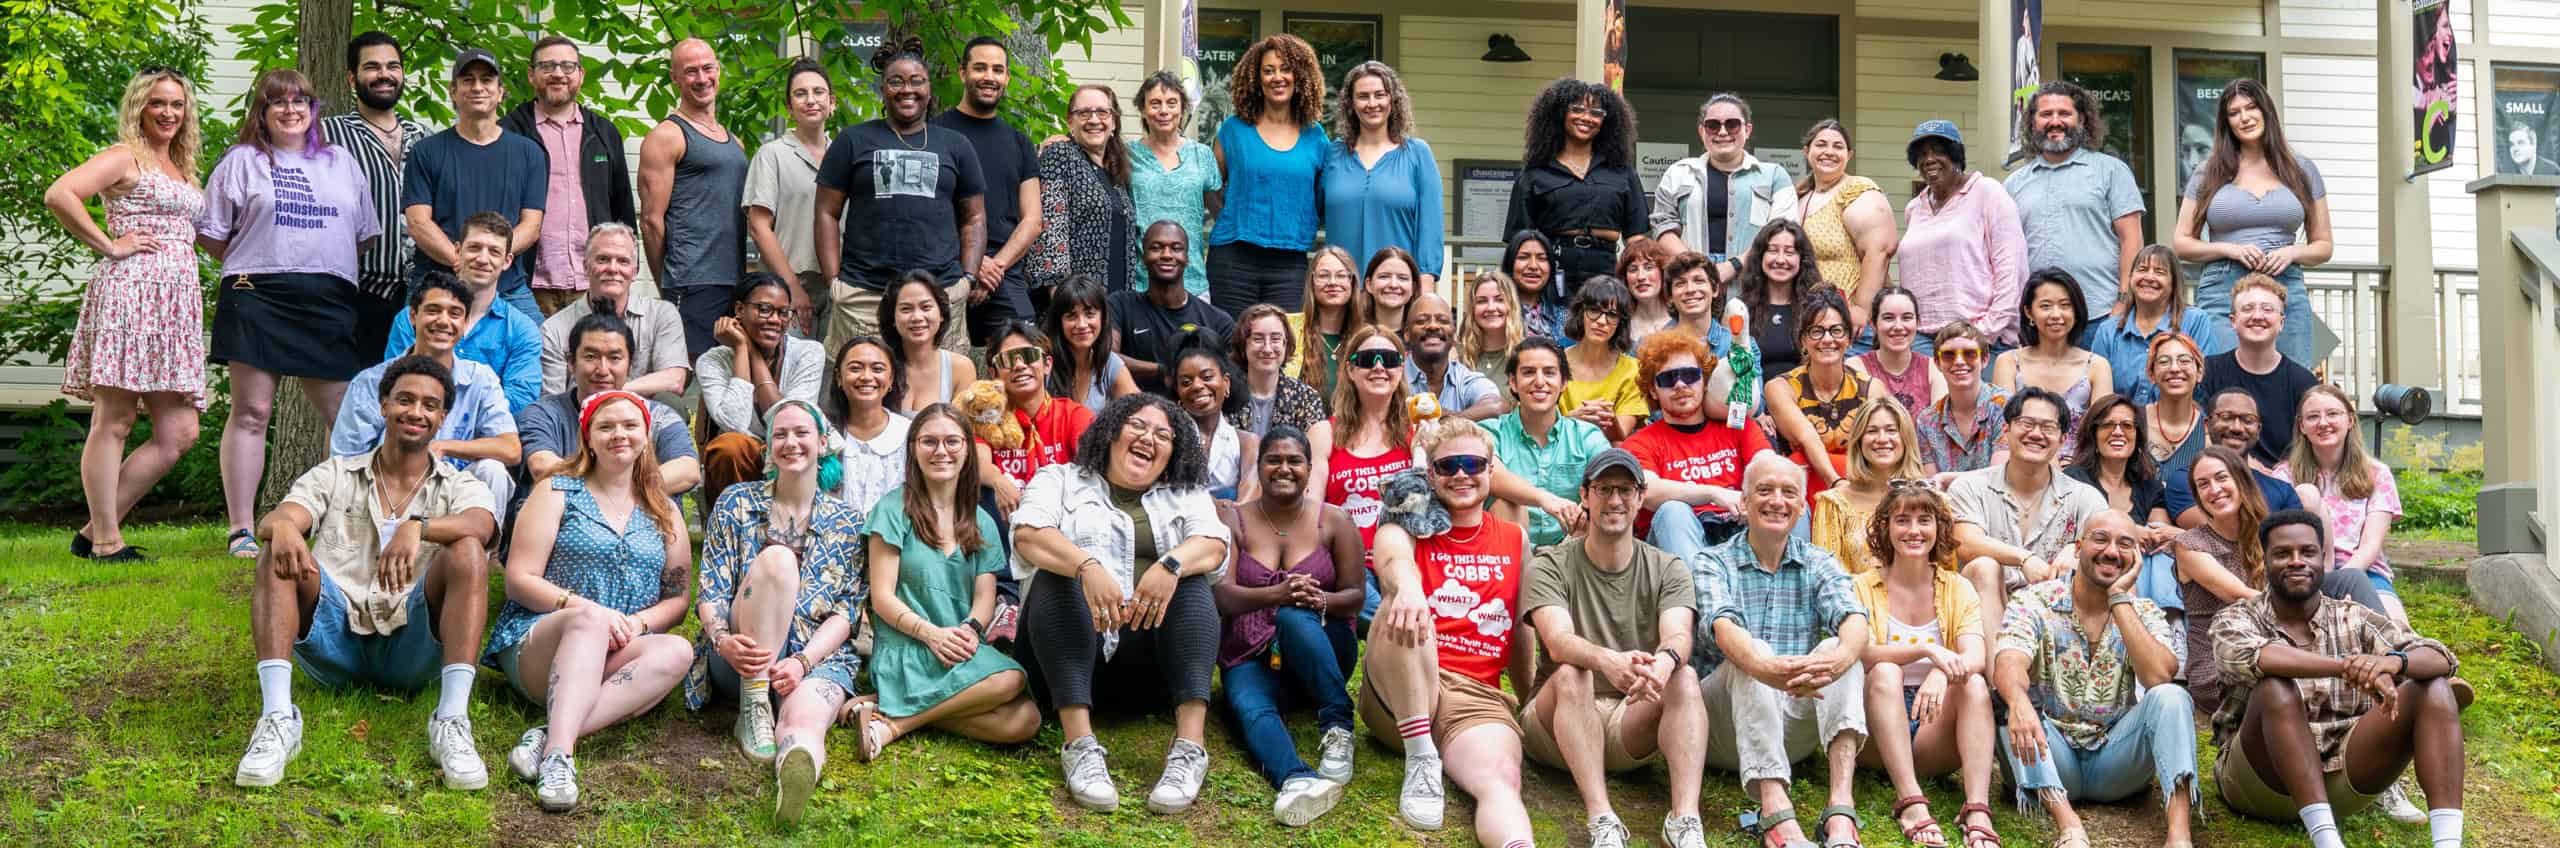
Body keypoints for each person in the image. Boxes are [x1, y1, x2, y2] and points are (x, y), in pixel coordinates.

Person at [233, 355, 497, 790]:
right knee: (276, 551)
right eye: (405, 400)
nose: (416, 412)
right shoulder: (337, 473)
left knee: (468, 551)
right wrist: (281, 526)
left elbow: (482, 525)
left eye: (430, 405)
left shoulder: (457, 484)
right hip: (335, 641)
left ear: (442, 418)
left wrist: (420, 526)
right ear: (383, 406)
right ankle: (278, 719)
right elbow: (285, 514)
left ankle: (451, 720)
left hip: (414, 648)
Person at [1012, 393, 1232, 814]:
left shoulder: (1184, 493)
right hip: (1065, 662)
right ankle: (1079, 745)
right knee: (1055, 574)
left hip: (1148, 670)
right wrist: (1087, 566)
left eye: (1163, 434)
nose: (1149, 438)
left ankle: (1189, 747)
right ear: (1111, 430)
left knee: (1190, 582)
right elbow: (1029, 534)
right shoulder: (1059, 479)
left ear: (1174, 450)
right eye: (1138, 426)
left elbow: (1214, 545)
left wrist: (1170, 565)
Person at [484, 389, 693, 812]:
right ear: (589, 438)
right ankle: (560, 757)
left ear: (646, 436)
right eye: (607, 426)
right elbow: (519, 580)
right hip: (543, 639)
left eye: (631, 425)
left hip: (617, 645)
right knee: (589, 622)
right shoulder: (558, 490)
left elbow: (678, 598)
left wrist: (637, 624)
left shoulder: (663, 508)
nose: (620, 434)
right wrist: (584, 608)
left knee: (678, 649)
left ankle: (549, 733)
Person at [2208, 510, 2469, 847]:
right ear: (2264, 561)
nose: (2296, 562)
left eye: (2307, 552)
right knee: (2274, 686)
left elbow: (2440, 656)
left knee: (2433, 688)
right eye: (2283, 554)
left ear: (2323, 558)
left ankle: (2448, 843)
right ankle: (2327, 841)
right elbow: (2259, 658)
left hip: (2344, 777)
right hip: (2260, 780)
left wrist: (2393, 663)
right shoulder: (2236, 618)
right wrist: (2346, 666)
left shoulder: (2352, 617)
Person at [203, 69, 383, 559]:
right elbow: (214, 235)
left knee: (345, 413)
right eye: (276, 102)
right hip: (257, 293)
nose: (290, 110)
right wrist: (264, 259)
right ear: (261, 112)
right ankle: (241, 528)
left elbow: (362, 234)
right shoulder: (241, 161)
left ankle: (340, 521)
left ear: (313, 109)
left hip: (328, 296)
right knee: (252, 412)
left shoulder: (341, 162)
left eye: (300, 101)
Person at [46, 68, 205, 562]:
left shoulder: (181, 165)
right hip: (131, 294)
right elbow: (60, 194)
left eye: (177, 104)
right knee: (113, 419)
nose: (168, 113)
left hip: (174, 306)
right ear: (139, 106)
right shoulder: (124, 156)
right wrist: (109, 245)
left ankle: (94, 530)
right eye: (158, 103)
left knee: (180, 432)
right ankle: (108, 542)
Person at [684, 399, 867, 818]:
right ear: (768, 451)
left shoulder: (848, 522)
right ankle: (753, 704)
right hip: (741, 654)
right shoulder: (736, 502)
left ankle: (794, 768)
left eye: (802, 433)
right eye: (779, 435)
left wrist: (804, 662)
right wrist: (723, 641)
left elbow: (846, 611)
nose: (791, 443)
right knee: (779, 560)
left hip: (814, 657)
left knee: (805, 723)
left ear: (822, 443)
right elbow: (709, 590)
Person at [1521, 449, 1711, 848]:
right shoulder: (1549, 563)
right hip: (1556, 725)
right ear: (1584, 495)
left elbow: (1678, 635)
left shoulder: (1668, 566)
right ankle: (1601, 820)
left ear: (1641, 497)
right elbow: (1558, 642)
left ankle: (1685, 821)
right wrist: (1608, 660)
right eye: (1604, 489)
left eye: (1625, 490)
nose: (1614, 500)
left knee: (1685, 676)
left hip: (1629, 719)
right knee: (1573, 672)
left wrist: (1663, 663)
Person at [1358, 418, 1538, 841]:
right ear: (1431, 475)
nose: (1461, 474)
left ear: (1491, 472)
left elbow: (1520, 629)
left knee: (1500, 780)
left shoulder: (1516, 538)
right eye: (1448, 465)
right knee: (1402, 603)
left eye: (1472, 464)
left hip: (1476, 697)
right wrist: (1407, 587)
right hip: (1401, 686)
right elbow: (1391, 562)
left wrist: (1528, 697)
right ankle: (1421, 758)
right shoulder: (1405, 525)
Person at [1691, 453, 1872, 848]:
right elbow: (1722, 627)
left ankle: (1840, 809)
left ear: (1802, 506)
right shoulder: (1712, 561)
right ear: (1743, 500)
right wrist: (1765, 667)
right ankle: (1776, 816)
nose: (1777, 501)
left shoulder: (1819, 561)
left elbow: (1855, 619)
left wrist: (1838, 659)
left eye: (1789, 492)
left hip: (1793, 720)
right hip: (1725, 727)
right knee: (1747, 651)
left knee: (1841, 650)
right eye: (1765, 490)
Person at [846, 404, 1040, 761]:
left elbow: (985, 596)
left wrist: (970, 629)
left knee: (1026, 720)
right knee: (1009, 681)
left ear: (967, 450)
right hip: (908, 646)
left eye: (952, 441)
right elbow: (883, 597)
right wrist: (931, 635)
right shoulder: (892, 510)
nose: (941, 451)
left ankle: (892, 714)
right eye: (929, 441)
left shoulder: (980, 519)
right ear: (914, 449)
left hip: (958, 647)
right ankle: (895, 721)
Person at [1993, 510, 2197, 848]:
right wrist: (2017, 701)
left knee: (2172, 697)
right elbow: (2009, 661)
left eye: (2125, 544)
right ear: (2077, 548)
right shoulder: (2035, 599)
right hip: (2051, 756)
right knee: (2003, 697)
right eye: (2101, 539)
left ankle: (2179, 837)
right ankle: (2069, 826)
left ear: (2136, 557)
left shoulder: (2142, 611)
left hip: (2116, 761)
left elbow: (2160, 676)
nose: (2112, 552)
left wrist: (2119, 599)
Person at [1213, 426, 1365, 825]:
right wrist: (1276, 594)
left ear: (1309, 468)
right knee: (1248, 706)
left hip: (1321, 652)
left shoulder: (1334, 522)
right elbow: (1223, 597)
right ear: (1258, 468)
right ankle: (1296, 780)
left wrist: (1322, 601)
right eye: (1273, 460)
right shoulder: (1234, 521)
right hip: (1249, 653)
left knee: (1294, 618)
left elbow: (1356, 596)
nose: (1284, 468)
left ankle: (1338, 724)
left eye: (1294, 460)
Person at [1851, 484, 1998, 848]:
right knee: (1886, 671)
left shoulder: (1957, 587)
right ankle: (1911, 802)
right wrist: (1928, 651)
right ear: (1885, 528)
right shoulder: (1861, 587)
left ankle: (1977, 808)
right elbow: (1861, 652)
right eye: (1902, 520)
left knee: (1974, 684)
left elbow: (1976, 656)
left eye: (1924, 520)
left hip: (1935, 729)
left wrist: (1940, 672)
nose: (1914, 531)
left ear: (1939, 528)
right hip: (1876, 729)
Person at [815, 42, 986, 352]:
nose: (907, 89)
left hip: (940, 294)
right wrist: (834, 283)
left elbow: (974, 217)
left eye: (916, 81)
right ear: (883, 89)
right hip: (864, 296)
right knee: (862, 386)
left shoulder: (956, 145)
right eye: (896, 81)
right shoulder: (853, 140)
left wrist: (968, 279)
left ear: (929, 88)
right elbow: (826, 212)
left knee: (940, 391)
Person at [2170, 444, 2364, 714]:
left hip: (2282, 645)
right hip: (2224, 662)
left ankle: (2393, 658)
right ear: (2198, 496)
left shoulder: (2267, 535)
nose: (2214, 490)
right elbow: (2241, 595)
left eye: (2221, 478)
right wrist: (2329, 608)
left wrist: (2342, 611)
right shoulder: (2190, 545)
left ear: (2241, 481)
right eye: (2203, 485)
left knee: (2351, 579)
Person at [333, 273, 523, 514]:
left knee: (492, 470)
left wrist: (444, 447)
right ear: (413, 316)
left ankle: (482, 549)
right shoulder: (371, 382)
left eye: (455, 314)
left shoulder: (480, 379)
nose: (444, 321)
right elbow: (345, 459)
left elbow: (511, 449)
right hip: (386, 491)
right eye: (433, 310)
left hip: (454, 498)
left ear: (465, 324)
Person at [2175, 78, 2334, 365]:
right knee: (2223, 384)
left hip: (2285, 285)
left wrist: (2292, 251)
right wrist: (2229, 249)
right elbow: (2182, 243)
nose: (2244, 118)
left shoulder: (2302, 169)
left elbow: (2323, 245)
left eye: (2251, 108)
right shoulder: (2208, 171)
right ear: (2226, 123)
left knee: (2292, 382)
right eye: (2234, 113)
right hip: (2223, 285)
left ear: (2266, 111)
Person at [1950, 387, 2108, 636]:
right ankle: (1998, 673)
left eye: (2047, 427)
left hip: (2056, 614)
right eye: (2026, 423)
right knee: (1983, 567)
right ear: (2005, 430)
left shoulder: (2084, 496)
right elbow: (1966, 543)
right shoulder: (1970, 486)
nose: (2036, 434)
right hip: (1982, 612)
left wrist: (2077, 550)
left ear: (2063, 439)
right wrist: (2024, 559)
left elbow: (2107, 543)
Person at [402, 47, 545, 318]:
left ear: (501, 91)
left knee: (543, 355)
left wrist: (489, 262)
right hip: (436, 287)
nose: (477, 87)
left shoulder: (529, 153)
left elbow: (531, 226)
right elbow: (419, 223)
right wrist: (464, 262)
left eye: (486, 80)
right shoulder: (426, 151)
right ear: (453, 91)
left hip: (509, 290)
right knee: (411, 360)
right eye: (467, 80)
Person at [501, 36, 636, 316]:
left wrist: (625, 271)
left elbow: (622, 207)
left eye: (567, 66)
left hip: (592, 283)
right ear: (531, 74)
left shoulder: (604, 133)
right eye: (548, 66)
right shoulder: (508, 133)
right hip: (526, 285)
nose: (558, 74)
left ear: (581, 74)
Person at [638, 38, 749, 361]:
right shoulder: (667, 136)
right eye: (690, 72)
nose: (701, 79)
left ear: (718, 70)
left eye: (707, 68)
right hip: (691, 280)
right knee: (686, 375)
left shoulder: (735, 142)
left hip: (734, 280)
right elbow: (651, 221)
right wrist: (668, 284)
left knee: (727, 379)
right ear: (675, 78)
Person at [318, 32, 428, 358]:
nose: (384, 74)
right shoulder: (326, 134)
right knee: (356, 398)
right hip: (355, 293)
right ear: (352, 77)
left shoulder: (423, 137)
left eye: (393, 66)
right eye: (372, 67)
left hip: (416, 296)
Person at [1622, 329, 1770, 568]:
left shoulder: (1737, 425)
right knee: (1673, 511)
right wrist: (1713, 493)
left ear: (1704, 381)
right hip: (1680, 545)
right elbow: (1647, 491)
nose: (1680, 385)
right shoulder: (1640, 442)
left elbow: (1767, 464)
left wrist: (1754, 498)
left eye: (1690, 375)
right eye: (1668, 379)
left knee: (1789, 499)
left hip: (1742, 531)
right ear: (1653, 390)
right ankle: (1701, 600)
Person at [381, 212, 547, 413]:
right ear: (458, 251)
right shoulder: (411, 318)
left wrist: (459, 419)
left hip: (487, 438)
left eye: (494, 251)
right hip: (417, 430)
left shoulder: (521, 329)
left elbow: (521, 400)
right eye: (474, 248)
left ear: (507, 261)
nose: (482, 259)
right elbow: (393, 385)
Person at [520, 312, 700, 495]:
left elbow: (687, 469)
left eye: (614, 358)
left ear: (630, 365)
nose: (603, 370)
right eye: (590, 357)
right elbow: (542, 466)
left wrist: (618, 495)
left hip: (641, 517)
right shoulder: (544, 414)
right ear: (572, 363)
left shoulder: (658, 415)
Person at [937, 36, 1044, 342]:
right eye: (980, 68)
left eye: (998, 70)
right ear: (962, 73)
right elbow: (929, 212)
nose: (989, 77)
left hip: (1003, 274)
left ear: (1007, 77)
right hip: (947, 269)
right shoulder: (936, 133)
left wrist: (993, 267)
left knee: (1025, 353)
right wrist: (971, 261)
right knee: (943, 369)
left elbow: (1032, 220)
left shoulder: (1019, 142)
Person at [2005, 82, 2148, 312]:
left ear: (2081, 120)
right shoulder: (2013, 184)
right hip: (2037, 317)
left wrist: (2123, 302)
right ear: (2033, 122)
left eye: (2064, 113)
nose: (2055, 121)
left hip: (2100, 312)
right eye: (2045, 114)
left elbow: (2132, 241)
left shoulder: (2111, 171)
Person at [1210, 34, 1327, 310]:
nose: (1278, 77)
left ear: (1300, 76)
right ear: (1256, 78)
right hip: (1233, 259)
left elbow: (1321, 194)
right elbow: (1211, 186)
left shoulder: (1316, 137)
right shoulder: (1233, 130)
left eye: (1286, 69)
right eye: (1268, 70)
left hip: (1289, 263)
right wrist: (1231, 217)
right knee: (1231, 346)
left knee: (1284, 347)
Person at [1508, 79, 1649, 298]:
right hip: (1552, 273)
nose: (1586, 118)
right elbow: (1519, 242)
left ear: (1606, 120)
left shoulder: (1622, 172)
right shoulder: (1535, 174)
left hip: (1607, 271)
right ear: (1560, 114)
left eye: (1596, 112)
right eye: (1577, 109)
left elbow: (1636, 239)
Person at [1896, 120, 2025, 354]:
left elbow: (2011, 268)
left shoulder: (1987, 192)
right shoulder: (1915, 208)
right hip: (1922, 339)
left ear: (1956, 155)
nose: (1929, 159)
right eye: (1922, 154)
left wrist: (1985, 331)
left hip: (1978, 335)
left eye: (1939, 151)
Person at [697, 274, 829, 501]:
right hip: (741, 467)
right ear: (739, 309)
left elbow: (790, 420)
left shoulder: (809, 353)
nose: (775, 320)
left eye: (783, 312)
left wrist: (753, 353)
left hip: (792, 451)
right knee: (730, 446)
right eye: (765, 309)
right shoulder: (712, 361)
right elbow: (734, 424)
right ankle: (732, 527)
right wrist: (740, 350)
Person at [2288, 384, 2412, 623]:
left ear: (2350, 420)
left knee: (2397, 628)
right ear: (2302, 426)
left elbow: (2371, 544)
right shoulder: (2286, 475)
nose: (2323, 423)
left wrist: (2345, 581)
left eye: (2333, 414)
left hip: (2363, 571)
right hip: (2305, 573)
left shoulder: (2377, 473)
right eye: (2313, 416)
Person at [1320, 61, 1443, 289]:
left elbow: (1430, 230)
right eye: (1363, 96)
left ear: (1393, 100)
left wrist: (1424, 294)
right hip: (1341, 290)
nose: (1372, 103)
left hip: (1395, 290)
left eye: (1380, 95)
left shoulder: (1417, 154)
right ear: (1351, 103)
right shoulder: (1333, 154)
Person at [536, 223, 690, 397]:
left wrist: (610, 392)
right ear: (585, 267)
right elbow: (552, 401)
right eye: (603, 259)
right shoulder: (554, 329)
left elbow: (675, 380)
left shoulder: (661, 314)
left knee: (671, 403)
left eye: (623, 261)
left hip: (644, 418)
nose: (613, 268)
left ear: (635, 271)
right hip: (578, 419)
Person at [742, 57, 838, 334]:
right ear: (789, 108)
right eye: (800, 93)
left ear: (832, 103)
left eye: (818, 92)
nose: (811, 100)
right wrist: (792, 289)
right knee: (788, 370)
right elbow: (759, 227)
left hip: (836, 287)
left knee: (834, 373)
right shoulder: (772, 155)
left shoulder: (843, 155)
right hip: (786, 287)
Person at [1490, 338, 1613, 549]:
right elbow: (1491, 474)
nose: (1539, 381)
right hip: (1509, 551)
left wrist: (1585, 510)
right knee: (1506, 504)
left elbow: (1612, 480)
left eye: (1549, 372)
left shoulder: (1585, 436)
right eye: (1528, 372)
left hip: (1571, 547)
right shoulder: (1491, 431)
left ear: (1564, 382)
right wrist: (1543, 499)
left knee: (1599, 508)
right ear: (1513, 382)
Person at [1651, 92, 1796, 269]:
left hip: (1752, 282)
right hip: (1691, 280)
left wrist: (1734, 266)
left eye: (1732, 124)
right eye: (1713, 125)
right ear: (1701, 131)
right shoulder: (1678, 174)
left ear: (1747, 130)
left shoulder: (1775, 177)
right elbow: (1662, 227)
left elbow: (1781, 233)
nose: (1722, 132)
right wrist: (1698, 269)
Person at [2064, 395, 2181, 611]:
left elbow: (2157, 537)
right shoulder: (2074, 479)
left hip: (2141, 574)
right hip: (2092, 572)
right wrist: (2134, 532)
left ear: (2137, 435)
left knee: (2161, 557)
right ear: (2094, 435)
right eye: (2108, 425)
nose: (2118, 432)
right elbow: (2081, 530)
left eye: (2127, 425)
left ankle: (2165, 622)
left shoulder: (2149, 486)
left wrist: (2154, 535)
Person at [1781, 119, 1895, 336]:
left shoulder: (1857, 191)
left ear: (1849, 155)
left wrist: (1862, 308)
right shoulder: (1799, 196)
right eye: (1821, 144)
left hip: (1848, 324)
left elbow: (1880, 250)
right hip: (1807, 323)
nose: (1829, 152)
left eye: (1838, 146)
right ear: (1807, 151)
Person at [2195, 273, 2321, 466]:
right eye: (2247, 309)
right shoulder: (2209, 372)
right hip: (2222, 475)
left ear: (2281, 323)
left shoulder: (2303, 383)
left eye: (2267, 309)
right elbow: (2199, 434)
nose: (2257, 316)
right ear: (2233, 321)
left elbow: (2312, 448)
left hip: (2283, 485)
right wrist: (2250, 469)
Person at [2084, 245, 2234, 404]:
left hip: (2182, 424)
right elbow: (2099, 398)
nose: (2149, 277)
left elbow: (2205, 385)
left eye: (2159, 272)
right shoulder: (2108, 331)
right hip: (2124, 426)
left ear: (2174, 282)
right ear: (2131, 278)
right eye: (2142, 269)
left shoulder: (2196, 321)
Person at [1991, 269, 2112, 460]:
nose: (2056, 314)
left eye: (2065, 305)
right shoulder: (2008, 363)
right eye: (2045, 306)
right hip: (2022, 467)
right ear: (2029, 312)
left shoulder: (2097, 366)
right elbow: (2004, 431)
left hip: (2079, 473)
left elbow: (2102, 432)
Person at [1031, 84, 1139, 294]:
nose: (1094, 120)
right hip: (1078, 305)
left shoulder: (1116, 170)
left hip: (1117, 301)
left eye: (1102, 112)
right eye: (1084, 113)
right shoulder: (1060, 155)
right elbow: (1050, 232)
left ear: (1114, 122)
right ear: (1070, 121)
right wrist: (1062, 299)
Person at [978, 322, 1097, 514]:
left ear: (1047, 365)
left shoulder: (1074, 415)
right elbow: (978, 463)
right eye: (1007, 360)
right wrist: (998, 481)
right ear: (994, 373)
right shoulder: (987, 419)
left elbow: (1093, 465)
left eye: (1028, 356)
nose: (1019, 365)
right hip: (1006, 523)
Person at [1767, 289, 1873, 501]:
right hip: (1801, 492)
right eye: (1816, 331)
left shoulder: (1870, 388)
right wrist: (1835, 483)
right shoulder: (1780, 387)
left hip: (1858, 487)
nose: (1827, 339)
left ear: (1849, 339)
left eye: (1836, 331)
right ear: (1803, 340)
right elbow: (1806, 436)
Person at [1811, 396, 1930, 575]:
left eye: (1891, 430)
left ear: (1906, 438)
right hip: (1853, 602)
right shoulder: (1834, 504)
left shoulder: (1932, 500)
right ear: (1859, 440)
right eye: (1872, 431)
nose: (1882, 439)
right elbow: (1827, 578)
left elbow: (1943, 575)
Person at [1113, 223, 1236, 395]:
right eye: (1156, 248)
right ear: (1143, 257)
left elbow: (1231, 372)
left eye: (1176, 248)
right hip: (1137, 411)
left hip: (1196, 414)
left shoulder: (1217, 321)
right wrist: (1162, 370)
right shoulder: (1121, 305)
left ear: (1187, 258)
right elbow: (1107, 357)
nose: (1166, 255)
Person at [1129, 71, 1220, 300]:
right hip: (1142, 282)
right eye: (1155, 104)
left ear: (1182, 109)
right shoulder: (1125, 155)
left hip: (1193, 281)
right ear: (1143, 109)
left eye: (1171, 103)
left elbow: (1220, 212)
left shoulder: (1202, 155)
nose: (1164, 111)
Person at [2164, 389, 2307, 526]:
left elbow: (2293, 541)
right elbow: (2216, 535)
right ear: (2206, 425)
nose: (2237, 428)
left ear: (2258, 430)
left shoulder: (2282, 490)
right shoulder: (2187, 480)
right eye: (2226, 417)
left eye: (2248, 420)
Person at [821, 335, 909, 514]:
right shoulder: (821, 431)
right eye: (855, 368)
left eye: (877, 369)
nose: (866, 377)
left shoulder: (909, 433)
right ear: (839, 377)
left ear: (891, 379)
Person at [1916, 321, 2009, 477]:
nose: (1959, 361)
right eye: (1948, 355)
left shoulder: (2005, 405)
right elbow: (1932, 486)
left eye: (1969, 354)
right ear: (1938, 363)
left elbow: (1998, 478)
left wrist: (1948, 479)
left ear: (1985, 360)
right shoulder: (1926, 420)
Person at [1561, 275, 1648, 439]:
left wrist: (1609, 420)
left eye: (1612, 315)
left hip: (1610, 456)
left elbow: (1620, 438)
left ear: (1621, 322)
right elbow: (1540, 429)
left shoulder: (1633, 370)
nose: (1602, 321)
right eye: (1594, 311)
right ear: (1581, 313)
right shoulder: (1554, 364)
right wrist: (1571, 420)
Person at [1734, 220, 1823, 378]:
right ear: (1760, 256)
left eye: (1789, 252)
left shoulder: (1815, 308)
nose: (1781, 260)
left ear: (1802, 259)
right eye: (1773, 251)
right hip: (1754, 398)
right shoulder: (1740, 309)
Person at [883, 270, 979, 414]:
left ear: (941, 314)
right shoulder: (879, 365)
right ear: (893, 318)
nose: (917, 317)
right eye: (906, 309)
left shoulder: (961, 368)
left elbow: (963, 430)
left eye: (926, 307)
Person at [1402, 290, 1504, 421]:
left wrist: (1448, 419)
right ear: (1406, 334)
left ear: (1454, 335)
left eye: (1443, 321)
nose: (1433, 326)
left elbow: (1497, 406)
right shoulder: (1393, 377)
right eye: (1422, 321)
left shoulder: (1464, 380)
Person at [1228, 304, 1326, 439]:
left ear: (1285, 344)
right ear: (1243, 344)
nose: (1267, 348)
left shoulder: (1306, 397)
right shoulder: (1226, 394)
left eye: (1275, 339)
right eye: (1258, 339)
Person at [1175, 343, 1257, 500]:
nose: (1197, 386)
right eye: (1186, 382)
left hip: (1232, 521)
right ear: (1178, 393)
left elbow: (1250, 492)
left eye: (1207, 377)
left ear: (1226, 383)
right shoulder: (1169, 438)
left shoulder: (1246, 442)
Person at [1044, 274, 1134, 412]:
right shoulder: (1044, 364)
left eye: (1090, 314)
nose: (1081, 324)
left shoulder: (1110, 363)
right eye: (1071, 316)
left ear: (1102, 318)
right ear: (1058, 322)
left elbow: (1140, 411)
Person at [1857, 286, 1947, 416]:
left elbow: (1937, 427)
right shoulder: (1856, 367)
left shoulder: (1934, 368)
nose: (1898, 326)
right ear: (1873, 325)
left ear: (1918, 322)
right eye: (1888, 318)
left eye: (1906, 318)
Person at [1289, 245, 1361, 398]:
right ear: (1312, 282)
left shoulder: (1366, 337)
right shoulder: (1289, 330)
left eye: (1341, 275)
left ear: (1352, 282)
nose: (1332, 282)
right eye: (1323, 275)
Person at [2137, 332, 2211, 474]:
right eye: (2164, 362)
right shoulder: (2133, 421)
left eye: (2184, 361)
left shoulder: (2209, 431)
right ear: (2151, 374)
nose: (2175, 369)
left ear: (2199, 372)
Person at [1459, 271, 1527, 381]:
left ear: (1512, 305)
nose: (1491, 308)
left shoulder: (1527, 354)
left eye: (1500, 300)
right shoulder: (1457, 356)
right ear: (1472, 309)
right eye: (1482, 301)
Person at [1505, 230, 1568, 340]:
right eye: (1523, 257)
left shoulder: (1564, 318)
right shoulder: (1496, 312)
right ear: (1510, 264)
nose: (1533, 266)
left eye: (1541, 258)